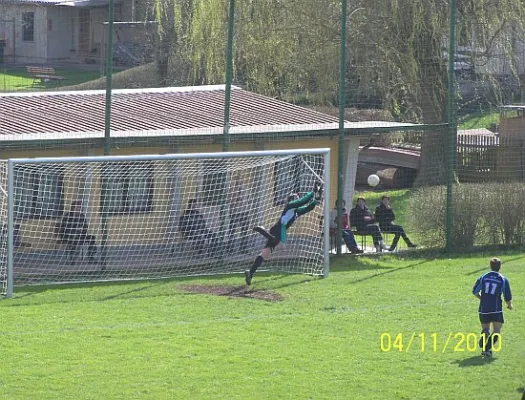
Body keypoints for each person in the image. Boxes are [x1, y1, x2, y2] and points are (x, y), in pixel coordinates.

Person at [245, 183, 323, 285]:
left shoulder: (296, 211)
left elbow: (310, 207)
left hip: (280, 231)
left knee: (265, 254)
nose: (297, 199)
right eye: (296, 198)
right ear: (292, 200)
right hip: (278, 228)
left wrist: (318, 196)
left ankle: (250, 273)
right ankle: (262, 231)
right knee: (281, 245)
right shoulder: (290, 206)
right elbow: (303, 201)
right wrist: (313, 192)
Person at [472, 257, 513, 358]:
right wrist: (509, 305)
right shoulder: (502, 279)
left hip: (483, 309)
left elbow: (475, 291)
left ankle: (485, 335)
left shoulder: (483, 277)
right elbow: (507, 295)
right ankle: (487, 349)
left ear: (490, 266)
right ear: (500, 267)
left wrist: (481, 298)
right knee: (496, 331)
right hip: (496, 309)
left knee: (486, 328)